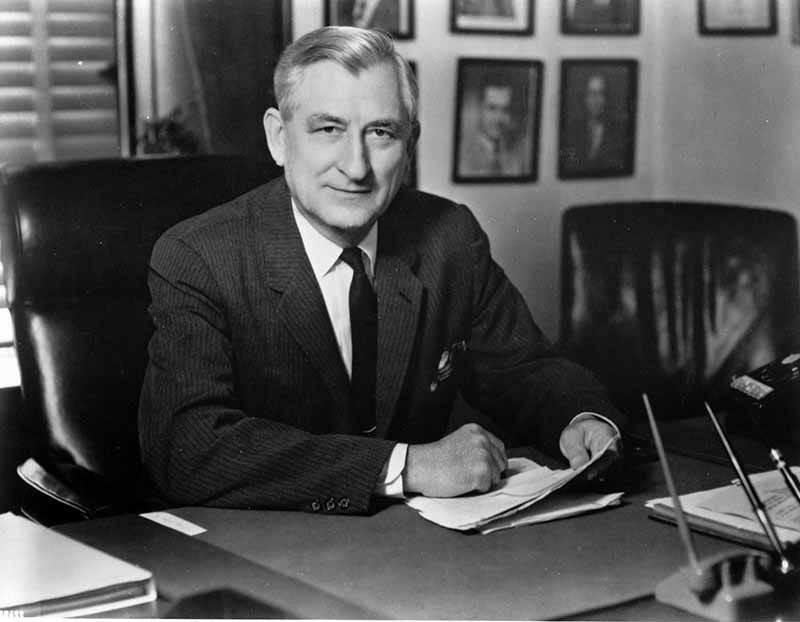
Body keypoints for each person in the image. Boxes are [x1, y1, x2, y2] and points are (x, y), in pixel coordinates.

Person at [139, 26, 625, 514]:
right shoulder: (198, 256)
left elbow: (523, 368)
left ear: (409, 145)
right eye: (329, 129)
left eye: (381, 132)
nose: (356, 167)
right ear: (279, 138)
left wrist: (581, 418)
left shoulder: (449, 236)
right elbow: (188, 445)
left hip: (411, 551)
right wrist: (405, 466)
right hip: (257, 551)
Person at [459, 73, 528, 177]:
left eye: (505, 110)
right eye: (492, 108)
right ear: (479, 107)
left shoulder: (519, 154)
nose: (498, 118)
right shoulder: (461, 154)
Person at [560, 72, 626, 175]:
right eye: (591, 93)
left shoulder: (619, 131)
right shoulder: (572, 129)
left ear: (607, 98)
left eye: (600, 93)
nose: (595, 100)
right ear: (585, 98)